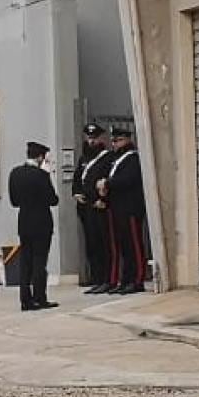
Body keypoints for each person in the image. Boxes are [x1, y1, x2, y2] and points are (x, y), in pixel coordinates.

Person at [7, 141, 61, 311]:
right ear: (40, 157)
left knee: (25, 262)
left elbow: (14, 202)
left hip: (24, 223)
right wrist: (46, 176)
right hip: (41, 224)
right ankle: (39, 298)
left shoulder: (15, 173)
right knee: (39, 261)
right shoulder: (41, 175)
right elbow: (53, 200)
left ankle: (25, 300)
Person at [104, 131, 153, 295]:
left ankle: (138, 279)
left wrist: (108, 183)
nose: (115, 144)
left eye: (118, 141)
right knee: (124, 246)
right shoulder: (116, 160)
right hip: (118, 208)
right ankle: (126, 279)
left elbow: (128, 179)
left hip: (131, 207)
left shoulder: (132, 158)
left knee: (134, 245)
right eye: (113, 141)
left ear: (127, 140)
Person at [73, 124, 118, 293]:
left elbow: (107, 181)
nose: (91, 141)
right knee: (91, 244)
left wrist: (101, 198)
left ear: (101, 139)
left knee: (103, 244)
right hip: (86, 208)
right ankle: (96, 278)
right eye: (89, 138)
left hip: (100, 207)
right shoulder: (84, 158)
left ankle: (107, 279)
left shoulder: (107, 158)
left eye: (94, 138)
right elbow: (78, 178)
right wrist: (76, 193)